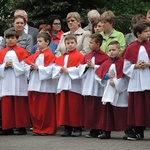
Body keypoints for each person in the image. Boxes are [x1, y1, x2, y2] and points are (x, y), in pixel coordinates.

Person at [95, 41, 131, 139]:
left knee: (122, 111)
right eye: (109, 50)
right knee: (108, 111)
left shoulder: (123, 62)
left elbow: (127, 77)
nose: (111, 52)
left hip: (120, 91)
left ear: (119, 50)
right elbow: (98, 75)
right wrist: (106, 76)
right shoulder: (106, 62)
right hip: (109, 90)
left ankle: (128, 131)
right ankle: (106, 131)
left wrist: (116, 82)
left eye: (114, 50)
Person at [24, 32, 57, 135]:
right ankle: (37, 127)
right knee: (35, 109)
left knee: (45, 109)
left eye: (40, 41)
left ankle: (47, 129)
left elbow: (52, 70)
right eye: (37, 41)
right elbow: (25, 65)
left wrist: (39, 68)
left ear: (47, 42)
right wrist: (30, 67)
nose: (37, 43)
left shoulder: (50, 55)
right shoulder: (35, 55)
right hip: (34, 83)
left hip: (45, 86)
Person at [52, 34, 84, 137]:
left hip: (75, 85)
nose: (70, 45)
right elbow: (55, 67)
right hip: (63, 84)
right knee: (64, 107)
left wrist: (68, 70)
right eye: (68, 43)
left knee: (75, 107)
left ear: (76, 43)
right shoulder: (62, 56)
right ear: (65, 44)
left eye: (72, 43)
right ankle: (67, 128)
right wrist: (60, 69)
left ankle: (77, 127)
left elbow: (81, 70)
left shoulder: (80, 56)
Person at [123, 22, 150, 140]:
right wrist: (135, 66)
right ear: (138, 34)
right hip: (137, 82)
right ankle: (138, 131)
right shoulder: (131, 48)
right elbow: (125, 67)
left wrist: (148, 64)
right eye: (146, 32)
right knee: (138, 108)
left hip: (148, 79)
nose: (149, 33)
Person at [78, 33, 109, 138]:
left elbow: (106, 68)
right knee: (90, 107)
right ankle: (92, 128)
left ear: (98, 44)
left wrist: (94, 66)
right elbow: (80, 68)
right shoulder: (88, 55)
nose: (89, 45)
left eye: (91, 43)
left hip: (98, 85)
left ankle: (99, 127)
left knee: (98, 107)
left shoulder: (104, 56)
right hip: (88, 83)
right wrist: (85, 67)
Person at [0, 29, 30, 135]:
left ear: (17, 39)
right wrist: (4, 66)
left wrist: (13, 65)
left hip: (18, 81)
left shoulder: (22, 51)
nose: (10, 40)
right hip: (6, 81)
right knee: (7, 104)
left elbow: (26, 66)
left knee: (20, 103)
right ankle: (7, 127)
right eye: (8, 38)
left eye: (12, 38)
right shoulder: (2, 52)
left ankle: (21, 127)